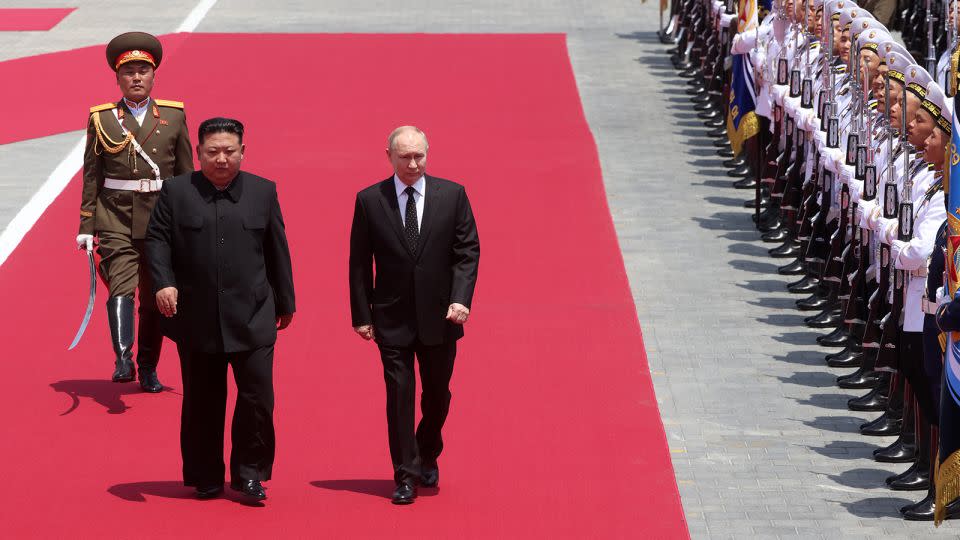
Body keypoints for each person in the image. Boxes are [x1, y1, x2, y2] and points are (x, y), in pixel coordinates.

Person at [145, 117, 295, 501]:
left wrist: (286, 302)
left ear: (243, 151)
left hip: (254, 315)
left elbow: (277, 249)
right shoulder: (176, 192)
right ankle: (205, 474)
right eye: (213, 152)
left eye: (230, 151)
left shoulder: (263, 192)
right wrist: (164, 282)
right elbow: (157, 240)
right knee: (202, 401)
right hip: (198, 318)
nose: (222, 159)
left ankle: (250, 473)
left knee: (257, 399)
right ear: (198, 154)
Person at [349, 126, 480, 504]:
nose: (413, 163)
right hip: (391, 318)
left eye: (419, 155)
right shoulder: (370, 200)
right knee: (399, 396)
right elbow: (359, 262)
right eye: (404, 156)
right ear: (388, 155)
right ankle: (405, 474)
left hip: (442, 317)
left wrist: (461, 298)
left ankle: (427, 451)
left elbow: (467, 250)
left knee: (437, 395)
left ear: (428, 153)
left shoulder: (452, 195)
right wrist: (362, 313)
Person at [76, 31, 193, 392]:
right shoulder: (103, 119)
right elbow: (92, 174)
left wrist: (192, 220)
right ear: (118, 78)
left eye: (143, 70)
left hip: (162, 221)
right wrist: (86, 224)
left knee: (157, 298)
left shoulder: (172, 117)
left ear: (154, 75)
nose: (137, 77)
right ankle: (123, 357)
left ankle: (149, 367)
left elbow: (186, 174)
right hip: (116, 219)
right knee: (122, 287)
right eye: (129, 72)